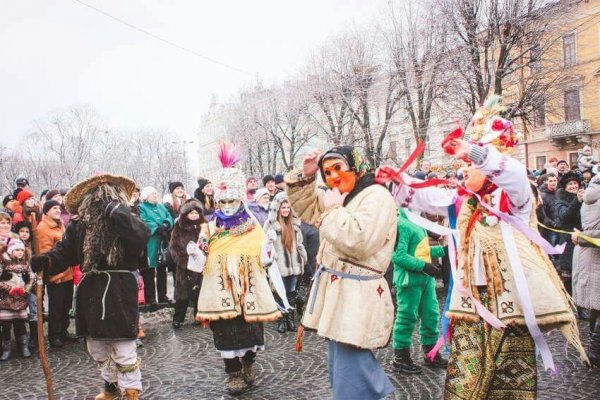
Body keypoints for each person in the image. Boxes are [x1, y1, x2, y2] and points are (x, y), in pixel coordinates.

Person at [381, 95, 586, 399]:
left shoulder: (515, 199)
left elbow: (514, 175)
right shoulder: (463, 199)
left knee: (510, 380)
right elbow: (424, 198)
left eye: (471, 165)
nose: (463, 171)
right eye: (463, 164)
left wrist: (476, 152)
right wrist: (397, 180)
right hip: (471, 306)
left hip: (511, 306)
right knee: (465, 380)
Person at [284, 145, 397, 400]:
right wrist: (306, 177)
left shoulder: (376, 196)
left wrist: (334, 210)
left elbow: (360, 240)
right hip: (341, 292)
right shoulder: (344, 195)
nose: (333, 177)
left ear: (355, 167)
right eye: (327, 172)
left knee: (352, 366)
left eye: (338, 168)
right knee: (342, 363)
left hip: (359, 295)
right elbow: (310, 210)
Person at [30, 173, 150, 400]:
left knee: (123, 345)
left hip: (120, 288)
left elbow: (141, 239)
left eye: (106, 194)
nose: (100, 199)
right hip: (90, 291)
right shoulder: (79, 225)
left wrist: (118, 213)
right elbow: (64, 253)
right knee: (97, 346)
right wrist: (46, 261)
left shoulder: (127, 220)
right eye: (95, 195)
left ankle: (131, 391)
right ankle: (112, 387)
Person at [193, 142, 281, 395]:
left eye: (232, 200)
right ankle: (232, 373)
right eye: (224, 201)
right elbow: (199, 265)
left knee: (252, 330)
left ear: (240, 199)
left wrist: (268, 248)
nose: (228, 205)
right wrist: (196, 254)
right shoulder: (208, 228)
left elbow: (265, 261)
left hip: (249, 290)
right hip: (220, 290)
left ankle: (249, 364)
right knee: (225, 333)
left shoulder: (254, 227)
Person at [391, 207, 447, 374]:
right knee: (407, 317)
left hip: (425, 280)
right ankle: (400, 357)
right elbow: (398, 255)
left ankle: (431, 353)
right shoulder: (401, 223)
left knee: (431, 315)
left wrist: (445, 250)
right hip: (410, 281)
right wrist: (424, 266)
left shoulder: (415, 220)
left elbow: (421, 251)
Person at [263, 192, 307, 334]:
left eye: (288, 207)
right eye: (283, 208)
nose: (286, 210)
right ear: (277, 209)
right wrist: (272, 258)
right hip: (279, 266)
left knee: (291, 293)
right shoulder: (270, 225)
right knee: (280, 294)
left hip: (294, 265)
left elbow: (299, 244)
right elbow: (265, 244)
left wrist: (302, 259)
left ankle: (291, 320)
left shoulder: (294, 225)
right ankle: (282, 320)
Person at [35, 200, 77, 348]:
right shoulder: (42, 228)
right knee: (56, 307)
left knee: (66, 305)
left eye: (59, 208)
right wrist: (53, 275)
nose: (58, 210)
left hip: (68, 273)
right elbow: (46, 253)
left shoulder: (61, 225)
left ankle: (64, 331)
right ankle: (54, 335)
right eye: (54, 208)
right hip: (56, 274)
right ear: (46, 211)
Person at [572, 173, 600, 366]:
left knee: (596, 307)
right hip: (595, 255)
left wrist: (582, 236)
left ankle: (593, 350)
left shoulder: (592, 194)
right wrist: (584, 237)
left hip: (588, 256)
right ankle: (594, 352)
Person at [168, 199, 205, 329]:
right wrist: (184, 261)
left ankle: (199, 317)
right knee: (182, 295)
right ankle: (178, 319)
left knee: (199, 293)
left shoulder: (204, 227)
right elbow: (174, 247)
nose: (194, 215)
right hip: (184, 267)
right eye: (191, 213)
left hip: (201, 266)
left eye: (196, 212)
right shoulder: (179, 227)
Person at [0, 238, 35, 361]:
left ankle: (24, 346)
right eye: (17, 250)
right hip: (6, 300)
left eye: (22, 250)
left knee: (20, 324)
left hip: (20, 299)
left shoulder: (25, 264)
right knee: (6, 325)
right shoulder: (3, 264)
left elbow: (32, 278)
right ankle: (6, 349)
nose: (20, 252)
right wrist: (8, 288)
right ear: (11, 251)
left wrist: (26, 289)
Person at [138, 187, 174, 305]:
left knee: (162, 269)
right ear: (146, 196)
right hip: (150, 242)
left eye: (155, 193)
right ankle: (150, 298)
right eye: (152, 194)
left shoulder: (161, 206)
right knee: (149, 270)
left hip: (162, 241)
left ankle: (163, 296)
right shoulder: (141, 207)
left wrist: (166, 224)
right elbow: (143, 220)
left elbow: (169, 216)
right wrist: (156, 227)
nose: (155, 196)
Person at [552, 172, 584, 295]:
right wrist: (577, 201)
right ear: (565, 187)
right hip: (568, 243)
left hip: (583, 241)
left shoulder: (584, 198)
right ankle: (571, 303)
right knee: (569, 277)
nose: (573, 186)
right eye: (570, 184)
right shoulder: (560, 200)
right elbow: (565, 216)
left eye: (575, 183)